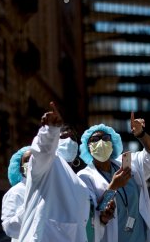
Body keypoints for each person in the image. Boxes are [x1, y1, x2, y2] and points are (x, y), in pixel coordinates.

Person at [18, 102, 114, 242]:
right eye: (63, 137)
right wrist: (50, 131)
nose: (69, 141)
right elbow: (42, 152)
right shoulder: (47, 166)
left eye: (73, 138)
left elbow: (86, 225)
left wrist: (102, 220)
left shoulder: (80, 184)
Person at [77, 112, 150, 242]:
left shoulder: (129, 165)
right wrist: (113, 187)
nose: (101, 142)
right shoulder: (85, 177)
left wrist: (141, 134)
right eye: (94, 140)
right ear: (88, 148)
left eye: (105, 138)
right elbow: (93, 216)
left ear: (112, 144)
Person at [1, 146, 31, 242]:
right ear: (21, 168)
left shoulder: (49, 188)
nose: (32, 162)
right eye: (27, 160)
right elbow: (10, 228)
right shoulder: (16, 192)